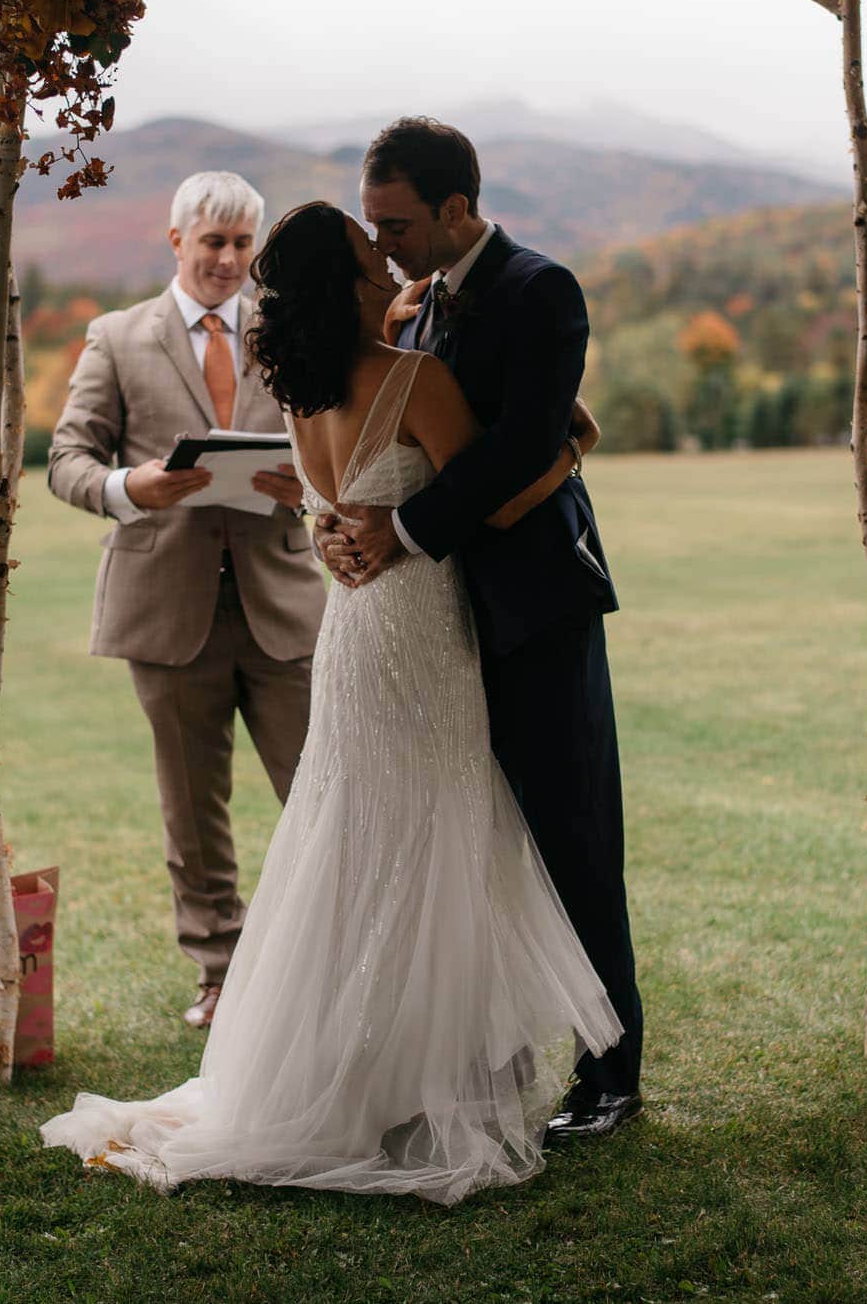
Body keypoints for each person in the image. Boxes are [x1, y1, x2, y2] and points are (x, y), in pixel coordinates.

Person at [40, 202, 617, 1205]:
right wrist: (569, 445)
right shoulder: (412, 379)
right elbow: (496, 490)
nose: (379, 263)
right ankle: (424, 1073)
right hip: (418, 631)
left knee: (354, 840)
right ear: (344, 282)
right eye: (363, 255)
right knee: (434, 831)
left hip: (351, 631)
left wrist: (342, 530)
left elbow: (332, 507)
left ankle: (354, 1070)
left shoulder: (300, 393)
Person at [322, 118, 643, 1139]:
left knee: (573, 837)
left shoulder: (539, 289)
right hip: (441, 630)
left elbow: (516, 450)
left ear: (457, 208)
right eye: (372, 227)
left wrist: (400, 527)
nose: (382, 246)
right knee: (466, 844)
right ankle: (481, 1059)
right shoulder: (415, 306)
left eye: (397, 224)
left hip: (533, 609)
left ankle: (610, 1072)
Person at [46, 172, 325, 1030]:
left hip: (282, 599)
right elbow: (67, 459)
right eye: (215, 243)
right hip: (166, 606)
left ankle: (332, 956)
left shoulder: (291, 334)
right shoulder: (118, 337)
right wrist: (138, 487)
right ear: (177, 242)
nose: (230, 260)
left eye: (245, 244)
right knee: (192, 810)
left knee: (323, 790)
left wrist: (304, 483)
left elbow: (336, 444)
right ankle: (220, 971)